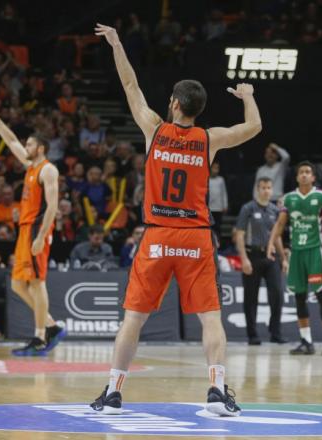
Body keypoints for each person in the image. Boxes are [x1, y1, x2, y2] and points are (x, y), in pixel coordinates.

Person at [90, 23, 261, 417]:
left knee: (133, 318)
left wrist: (117, 44)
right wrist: (249, 96)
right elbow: (252, 127)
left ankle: (114, 392)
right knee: (210, 318)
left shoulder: (153, 128)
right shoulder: (208, 139)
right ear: (197, 110)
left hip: (156, 235)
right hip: (195, 238)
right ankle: (217, 389)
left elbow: (130, 86)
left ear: (173, 104)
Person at [0, 94, 66, 356]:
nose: (25, 146)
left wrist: (41, 236)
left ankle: (40, 336)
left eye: (29, 144)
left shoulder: (48, 170)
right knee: (18, 284)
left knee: (37, 283)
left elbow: (52, 206)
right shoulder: (30, 166)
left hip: (37, 231)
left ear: (40, 147)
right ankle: (50, 324)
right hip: (25, 231)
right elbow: (10, 140)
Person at [268, 161, 322, 355]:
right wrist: (271, 244)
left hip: (316, 251)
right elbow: (280, 224)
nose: (305, 175)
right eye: (302, 172)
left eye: (308, 172)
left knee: (321, 295)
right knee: (299, 296)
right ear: (297, 177)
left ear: (313, 177)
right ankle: (306, 341)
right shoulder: (288, 199)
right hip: (296, 252)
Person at [235, 177, 284, 345]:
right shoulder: (247, 208)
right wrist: (244, 259)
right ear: (257, 189)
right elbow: (239, 235)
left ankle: (275, 332)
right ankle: (252, 334)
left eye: (269, 188)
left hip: (270, 257)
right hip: (252, 255)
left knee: (277, 294)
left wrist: (283, 258)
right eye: (263, 188)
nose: (266, 191)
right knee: (251, 297)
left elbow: (276, 236)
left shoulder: (274, 210)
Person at [209, 160, 228, 242]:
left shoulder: (221, 180)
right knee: (210, 226)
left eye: (217, 168)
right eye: (214, 168)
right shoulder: (207, 178)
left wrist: (225, 205)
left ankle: (218, 243)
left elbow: (224, 193)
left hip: (218, 208)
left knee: (218, 227)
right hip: (209, 208)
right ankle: (209, 242)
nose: (215, 170)